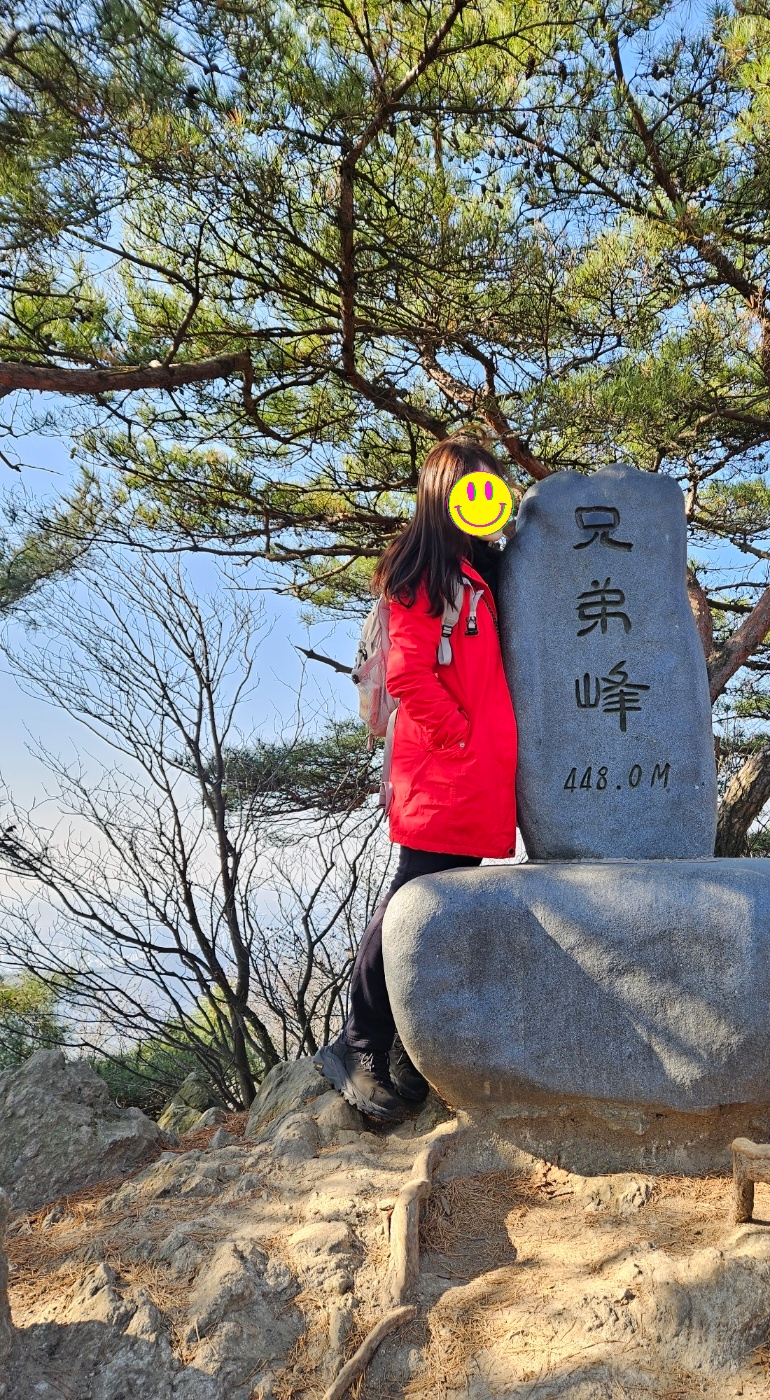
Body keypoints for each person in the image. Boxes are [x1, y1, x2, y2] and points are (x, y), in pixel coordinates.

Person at [314, 438, 518, 1122]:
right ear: (443, 494)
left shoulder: (472, 569)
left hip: (467, 773)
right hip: (442, 769)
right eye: (474, 489)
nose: (487, 501)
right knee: (411, 903)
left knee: (433, 907)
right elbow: (409, 675)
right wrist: (460, 737)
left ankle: (399, 1048)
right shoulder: (423, 572)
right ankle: (358, 1044)